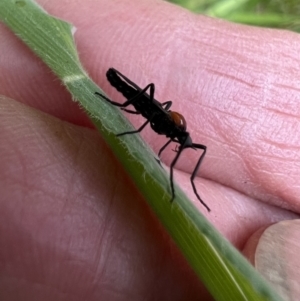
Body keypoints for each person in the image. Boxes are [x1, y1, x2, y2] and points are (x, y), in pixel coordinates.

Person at [0, 0, 299, 300]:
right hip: (142, 102)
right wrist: (129, 114)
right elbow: (158, 113)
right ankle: (121, 105)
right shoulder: (171, 127)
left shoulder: (180, 135)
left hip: (153, 112)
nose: (183, 146)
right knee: (147, 103)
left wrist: (188, 180)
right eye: (182, 142)